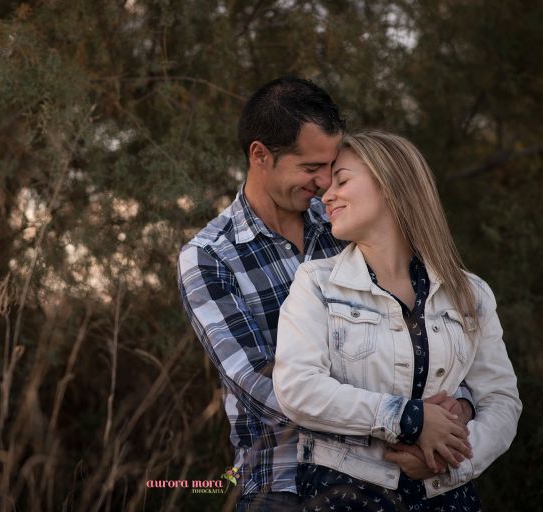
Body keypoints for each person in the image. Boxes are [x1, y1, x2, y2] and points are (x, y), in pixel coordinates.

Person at [177, 77, 474, 511]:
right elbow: (266, 388)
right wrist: (407, 420)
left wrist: (453, 413)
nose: (323, 182)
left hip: (401, 470)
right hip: (282, 480)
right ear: (260, 156)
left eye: (332, 168)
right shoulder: (209, 258)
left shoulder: (345, 223)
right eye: (310, 167)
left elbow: (423, 326)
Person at [273, 130, 522, 511]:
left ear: (390, 184)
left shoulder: (470, 293)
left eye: (342, 180)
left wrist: (450, 460)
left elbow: (502, 402)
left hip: (447, 498)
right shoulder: (316, 284)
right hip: (346, 497)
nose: (326, 195)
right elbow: (298, 389)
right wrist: (409, 417)